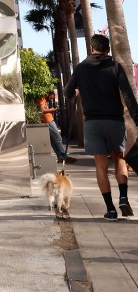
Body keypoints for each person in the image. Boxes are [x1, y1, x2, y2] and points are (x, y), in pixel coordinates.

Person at [64, 34, 138, 219]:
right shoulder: (115, 66)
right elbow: (128, 95)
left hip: (92, 122)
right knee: (119, 159)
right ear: (108, 50)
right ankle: (123, 198)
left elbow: (67, 93)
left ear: (91, 49)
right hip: (114, 120)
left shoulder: (81, 68)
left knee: (100, 164)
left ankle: (110, 209)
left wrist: (78, 91)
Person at [37, 90, 77, 165]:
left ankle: (60, 157)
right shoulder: (42, 99)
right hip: (48, 121)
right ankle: (65, 156)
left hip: (47, 121)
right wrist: (51, 110)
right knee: (58, 139)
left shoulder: (44, 99)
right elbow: (42, 110)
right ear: (49, 94)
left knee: (53, 140)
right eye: (52, 96)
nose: (52, 98)